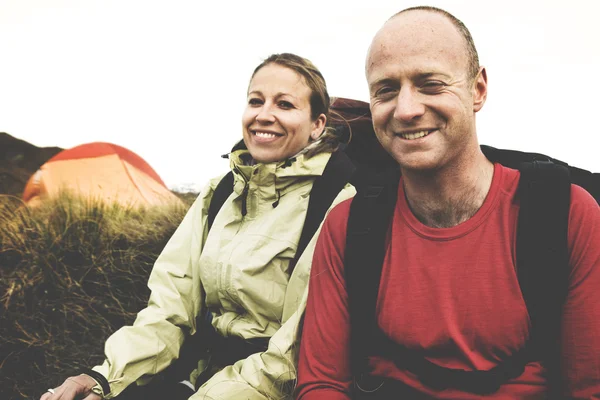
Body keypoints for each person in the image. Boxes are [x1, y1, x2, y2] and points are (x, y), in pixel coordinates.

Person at [296, 6, 600, 399]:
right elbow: (322, 384)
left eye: (431, 84)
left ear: (478, 89)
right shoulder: (348, 227)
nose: (406, 110)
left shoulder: (565, 216)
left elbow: (590, 386)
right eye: (386, 89)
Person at [40, 53, 355, 400]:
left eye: (285, 104)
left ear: (317, 124)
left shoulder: (335, 203)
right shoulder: (219, 193)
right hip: (197, 373)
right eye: (255, 101)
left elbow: (292, 355)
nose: (264, 115)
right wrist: (105, 379)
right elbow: (170, 309)